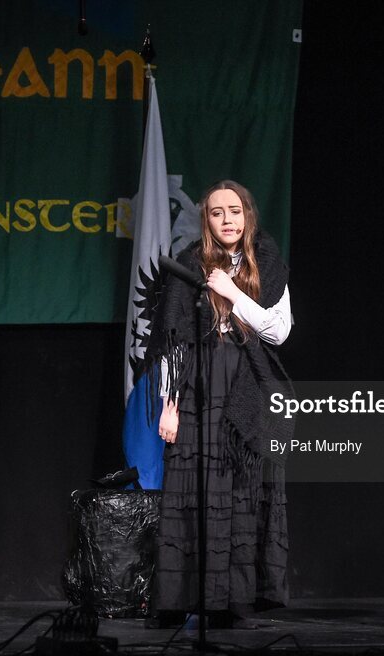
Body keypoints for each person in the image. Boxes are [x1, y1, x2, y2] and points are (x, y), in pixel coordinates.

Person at [147, 179, 293, 628]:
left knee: (238, 493)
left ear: (247, 214)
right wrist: (168, 405)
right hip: (199, 389)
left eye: (235, 210)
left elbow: (278, 331)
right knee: (193, 491)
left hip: (246, 388)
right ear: (205, 219)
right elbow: (176, 344)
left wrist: (233, 293)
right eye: (216, 212)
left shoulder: (266, 263)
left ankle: (229, 600)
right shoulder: (190, 265)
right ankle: (182, 597)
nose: (227, 219)